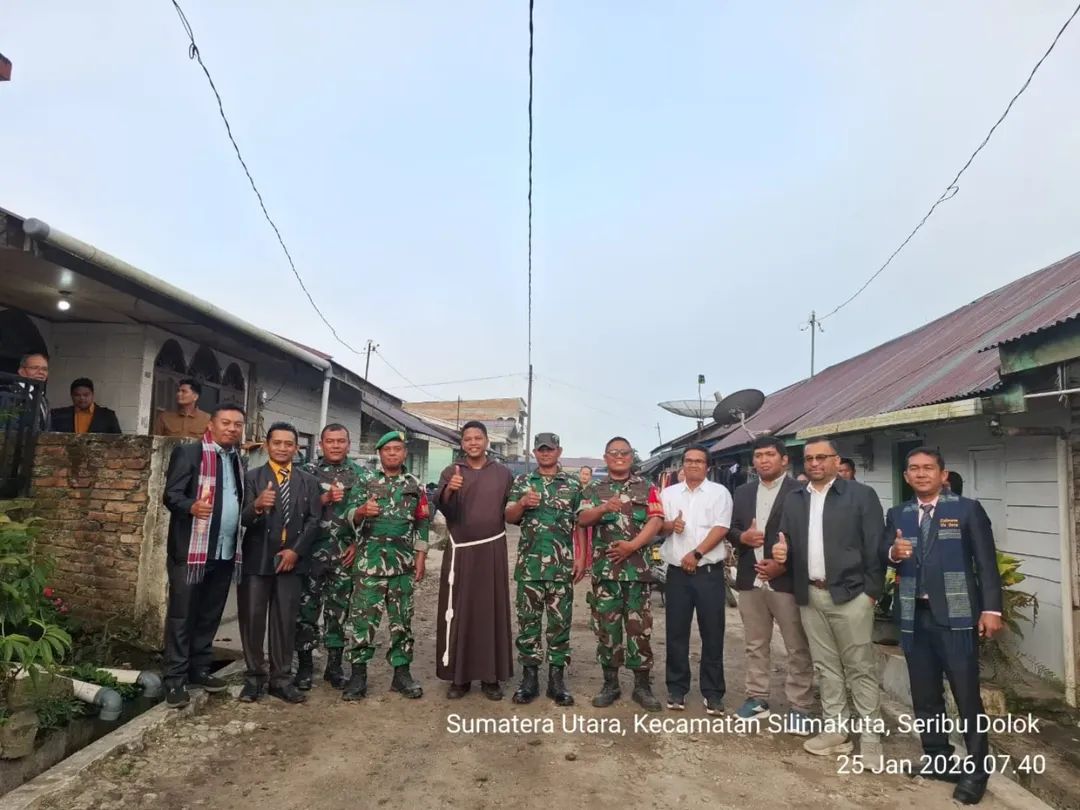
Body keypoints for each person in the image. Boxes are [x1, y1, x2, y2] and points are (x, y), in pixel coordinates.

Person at [884, 448, 1003, 805]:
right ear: (906, 476)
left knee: (967, 696)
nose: (921, 474)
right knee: (924, 695)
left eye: (928, 468)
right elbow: (883, 554)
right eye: (914, 469)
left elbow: (986, 563)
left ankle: (978, 770)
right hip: (913, 617)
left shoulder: (966, 509)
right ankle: (937, 757)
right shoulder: (898, 514)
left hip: (958, 616)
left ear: (942, 474)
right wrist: (893, 554)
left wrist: (992, 610)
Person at [775, 437, 885, 766]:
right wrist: (782, 553)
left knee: (860, 668)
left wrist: (871, 593)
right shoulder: (795, 499)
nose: (814, 463)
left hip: (852, 595)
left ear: (837, 461)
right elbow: (785, 542)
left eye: (822, 457)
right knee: (826, 667)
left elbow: (876, 548)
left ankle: (870, 738)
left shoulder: (860, 495)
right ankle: (836, 730)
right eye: (809, 458)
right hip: (810, 594)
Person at [161, 402, 247, 708]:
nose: (232, 429)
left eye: (237, 424)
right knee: (182, 616)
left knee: (210, 615)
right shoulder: (190, 453)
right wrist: (191, 507)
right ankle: (174, 680)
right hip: (191, 553)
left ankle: (199, 669)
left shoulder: (238, 460)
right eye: (226, 423)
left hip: (224, 551)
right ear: (211, 425)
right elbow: (171, 496)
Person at [727, 436, 814, 730]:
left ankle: (800, 705)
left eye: (769, 455)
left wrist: (783, 565)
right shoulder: (742, 492)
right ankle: (756, 697)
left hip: (786, 581)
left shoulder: (802, 492)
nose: (763, 460)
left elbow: (809, 537)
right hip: (750, 579)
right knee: (755, 643)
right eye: (758, 455)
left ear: (784, 460)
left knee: (796, 645)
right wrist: (742, 537)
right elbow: (732, 529)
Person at [577, 436, 665, 711]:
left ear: (631, 457)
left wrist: (633, 546)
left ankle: (642, 686)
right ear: (605, 457)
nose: (619, 457)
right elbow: (582, 519)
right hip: (606, 574)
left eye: (624, 453)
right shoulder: (594, 489)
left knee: (640, 630)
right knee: (607, 629)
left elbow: (657, 520)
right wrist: (603, 507)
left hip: (638, 571)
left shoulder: (647, 487)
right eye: (613, 453)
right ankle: (610, 683)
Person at [342, 430, 430, 701]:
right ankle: (358, 677)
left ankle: (401, 675)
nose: (392, 453)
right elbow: (347, 514)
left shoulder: (415, 484)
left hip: (402, 567)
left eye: (397, 449)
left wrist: (421, 556)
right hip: (369, 565)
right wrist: (360, 512)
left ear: (405, 453)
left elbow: (422, 522)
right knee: (362, 623)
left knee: (402, 623)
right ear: (379, 454)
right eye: (387, 449)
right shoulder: (365, 481)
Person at [238, 422, 321, 704]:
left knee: (285, 621)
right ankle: (253, 679)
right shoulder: (252, 478)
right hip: (257, 559)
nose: (283, 448)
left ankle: (281, 679)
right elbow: (243, 519)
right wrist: (258, 505)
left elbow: (314, 521)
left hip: (291, 562)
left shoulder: (308, 481)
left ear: (296, 448)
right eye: (277, 443)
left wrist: (295, 551)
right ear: (266, 445)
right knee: (252, 620)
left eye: (289, 444)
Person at [435, 420, 514, 699]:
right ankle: (459, 677)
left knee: (489, 612)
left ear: (486, 441)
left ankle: (490, 677)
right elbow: (444, 506)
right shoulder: (452, 471)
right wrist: (451, 488)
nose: (473, 443)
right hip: (460, 552)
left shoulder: (503, 473)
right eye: (467, 438)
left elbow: (511, 510)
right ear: (462, 443)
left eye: (477, 438)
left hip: (492, 551)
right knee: (458, 611)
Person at [505, 432, 582, 706]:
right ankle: (529, 679)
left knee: (560, 625)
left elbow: (581, 523)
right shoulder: (523, 482)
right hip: (529, 568)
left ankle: (556, 681)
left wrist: (581, 557)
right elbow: (509, 517)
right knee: (528, 624)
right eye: (541, 450)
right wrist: (522, 504)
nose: (546, 453)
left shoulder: (573, 485)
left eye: (550, 449)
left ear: (559, 451)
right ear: (534, 453)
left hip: (560, 569)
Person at [658, 445, 732, 714]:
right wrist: (670, 526)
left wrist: (697, 554)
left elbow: (721, 527)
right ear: (682, 465)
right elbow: (657, 526)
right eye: (688, 461)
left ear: (707, 466)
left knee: (712, 634)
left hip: (708, 574)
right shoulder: (668, 494)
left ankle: (713, 693)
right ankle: (676, 689)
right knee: (676, 633)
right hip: (677, 575)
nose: (693, 465)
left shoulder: (719, 493)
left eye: (699, 461)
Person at [293, 423, 368, 691]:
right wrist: (323, 498)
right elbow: (295, 510)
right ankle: (304, 667)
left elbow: (371, 515)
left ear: (349, 444)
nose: (335, 445)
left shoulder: (361, 475)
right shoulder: (305, 474)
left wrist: (357, 545)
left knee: (338, 612)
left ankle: (334, 668)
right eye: (330, 441)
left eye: (341, 441)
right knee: (306, 611)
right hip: (311, 555)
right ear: (321, 444)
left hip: (343, 557)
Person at [50, 378, 122, 434]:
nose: (82, 398)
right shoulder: (57, 415)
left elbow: (118, 443)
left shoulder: (108, 416)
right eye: (77, 395)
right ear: (71, 396)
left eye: (86, 395)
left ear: (92, 395)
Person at [15, 352, 50, 430]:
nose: (41, 372)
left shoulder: (43, 399)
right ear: (21, 371)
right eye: (34, 368)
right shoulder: (9, 393)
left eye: (44, 369)